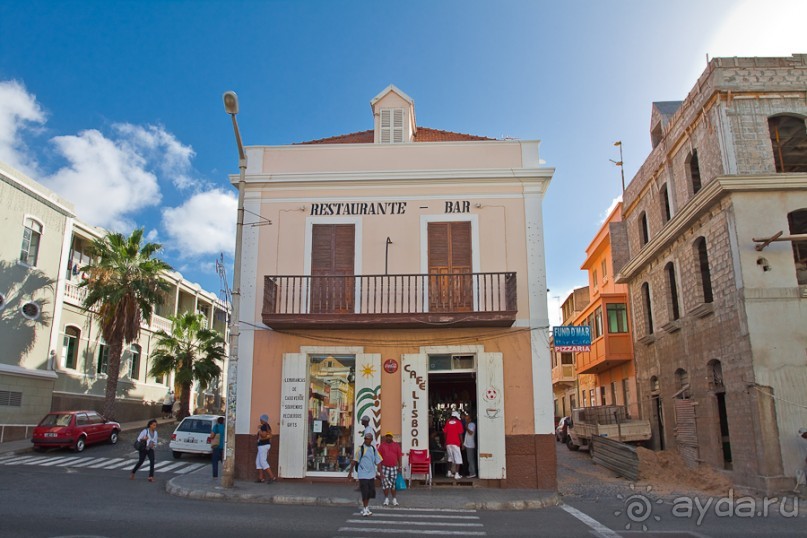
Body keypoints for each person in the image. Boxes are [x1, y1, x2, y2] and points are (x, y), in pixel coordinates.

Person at [348, 431, 382, 517]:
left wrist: (380, 473)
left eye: (368, 439)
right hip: (363, 474)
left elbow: (378, 462)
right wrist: (350, 473)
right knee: (365, 491)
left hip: (371, 474)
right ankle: (365, 508)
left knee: (370, 493)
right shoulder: (361, 449)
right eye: (365, 439)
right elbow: (354, 461)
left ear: (371, 440)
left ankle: (366, 507)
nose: (366, 440)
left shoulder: (373, 449)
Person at [378, 432, 403, 506]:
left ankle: (394, 499)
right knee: (385, 484)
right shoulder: (382, 446)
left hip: (394, 467)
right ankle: (386, 499)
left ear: (392, 437)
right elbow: (378, 458)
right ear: (385, 437)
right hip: (384, 467)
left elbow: (399, 457)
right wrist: (379, 469)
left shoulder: (396, 445)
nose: (388, 438)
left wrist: (400, 466)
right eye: (387, 436)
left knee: (393, 484)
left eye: (390, 436)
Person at [442, 410, 464, 480]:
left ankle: (449, 472)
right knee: (458, 458)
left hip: (448, 443)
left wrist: (445, 442)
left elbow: (445, 433)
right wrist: (462, 443)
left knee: (450, 458)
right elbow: (460, 434)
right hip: (456, 443)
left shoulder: (448, 423)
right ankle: (457, 474)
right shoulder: (458, 423)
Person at [256, 414, 275, 483]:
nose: (260, 420)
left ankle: (272, 477)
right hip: (264, 446)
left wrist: (259, 430)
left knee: (263, 461)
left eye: (261, 419)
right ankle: (261, 478)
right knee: (258, 462)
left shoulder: (264, 426)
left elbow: (263, 435)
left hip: (263, 446)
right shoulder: (267, 426)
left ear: (263, 420)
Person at [463, 411, 477, 478]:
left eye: (467, 419)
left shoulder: (472, 425)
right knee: (469, 459)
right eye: (465, 419)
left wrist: (466, 427)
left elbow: (471, 433)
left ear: (470, 419)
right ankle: (470, 471)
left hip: (470, 445)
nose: (466, 420)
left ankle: (472, 473)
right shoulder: (469, 425)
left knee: (470, 459)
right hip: (468, 445)